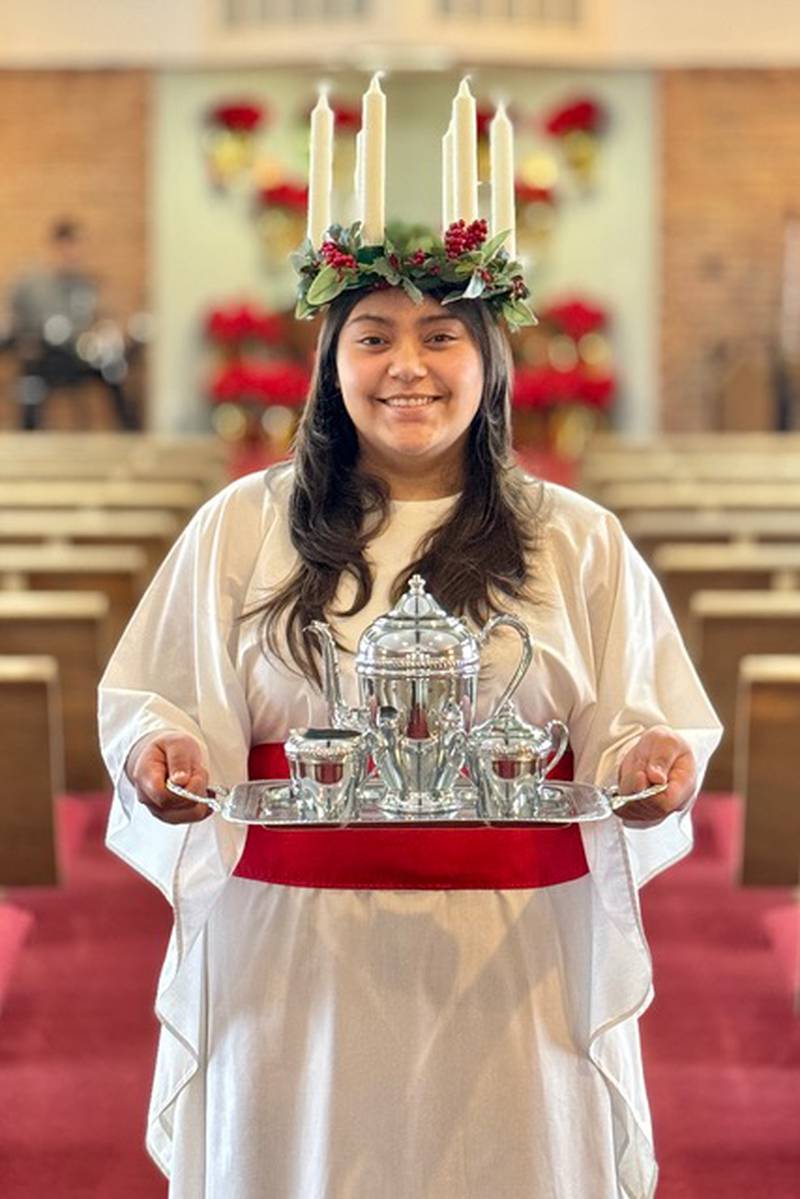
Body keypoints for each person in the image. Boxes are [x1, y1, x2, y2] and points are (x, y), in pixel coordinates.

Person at [99, 272, 722, 1197]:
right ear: (331, 364)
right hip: (294, 949)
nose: (408, 367)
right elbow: (157, 695)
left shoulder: (575, 537)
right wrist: (162, 749)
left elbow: (632, 720)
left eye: (441, 338)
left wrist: (647, 761)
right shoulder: (244, 524)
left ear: (489, 362)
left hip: (511, 951)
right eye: (374, 337)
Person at [7, 218, 139, 430]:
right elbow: (15, 318)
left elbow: (102, 317)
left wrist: (106, 331)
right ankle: (28, 436)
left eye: (78, 246)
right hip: (45, 357)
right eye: (69, 246)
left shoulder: (87, 284)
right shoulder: (31, 283)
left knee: (114, 369)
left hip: (80, 355)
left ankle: (129, 431)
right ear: (57, 246)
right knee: (30, 380)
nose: (74, 253)